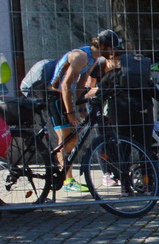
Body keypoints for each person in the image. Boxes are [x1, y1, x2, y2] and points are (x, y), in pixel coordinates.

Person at [50, 29, 123, 181]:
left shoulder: (93, 59)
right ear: (102, 45)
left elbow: (80, 87)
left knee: (73, 139)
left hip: (66, 95)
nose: (114, 51)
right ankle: (67, 180)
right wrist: (70, 113)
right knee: (66, 139)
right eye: (112, 48)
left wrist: (83, 109)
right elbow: (65, 86)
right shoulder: (81, 57)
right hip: (56, 95)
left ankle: (65, 175)